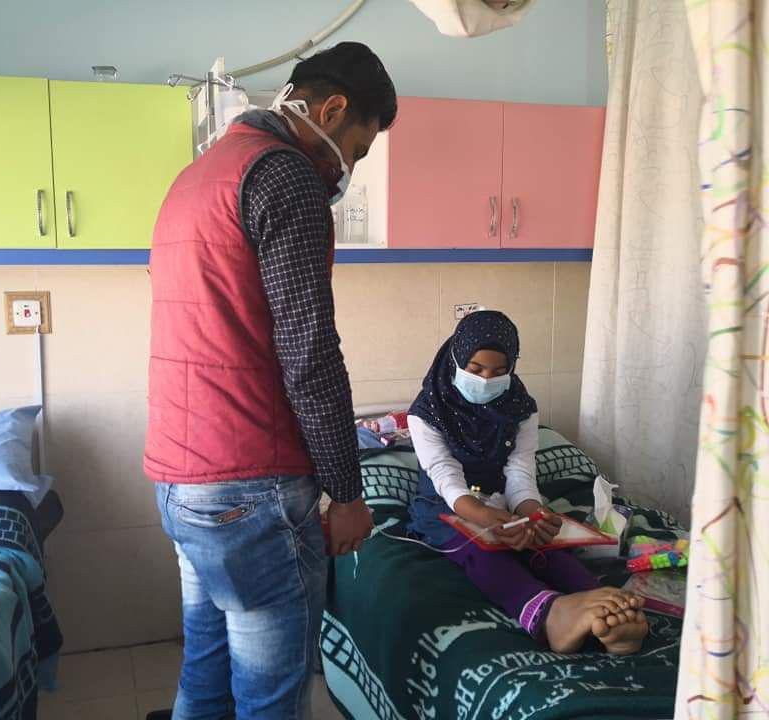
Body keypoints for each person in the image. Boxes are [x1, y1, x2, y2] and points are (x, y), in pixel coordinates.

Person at [143, 43, 397, 719]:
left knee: (206, 673)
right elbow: (309, 353)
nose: (348, 169)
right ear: (331, 110)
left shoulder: (197, 176)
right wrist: (348, 493)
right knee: (271, 695)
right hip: (250, 486)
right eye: (358, 149)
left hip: (180, 478)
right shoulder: (285, 177)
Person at [406, 310, 649, 655]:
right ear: (457, 358)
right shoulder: (428, 411)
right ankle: (550, 614)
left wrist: (533, 513)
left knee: (543, 544)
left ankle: (603, 608)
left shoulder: (520, 407)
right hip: (446, 508)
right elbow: (445, 475)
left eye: (499, 372)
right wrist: (483, 517)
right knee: (480, 552)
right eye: (476, 369)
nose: (486, 380)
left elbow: (520, 472)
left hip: (503, 503)